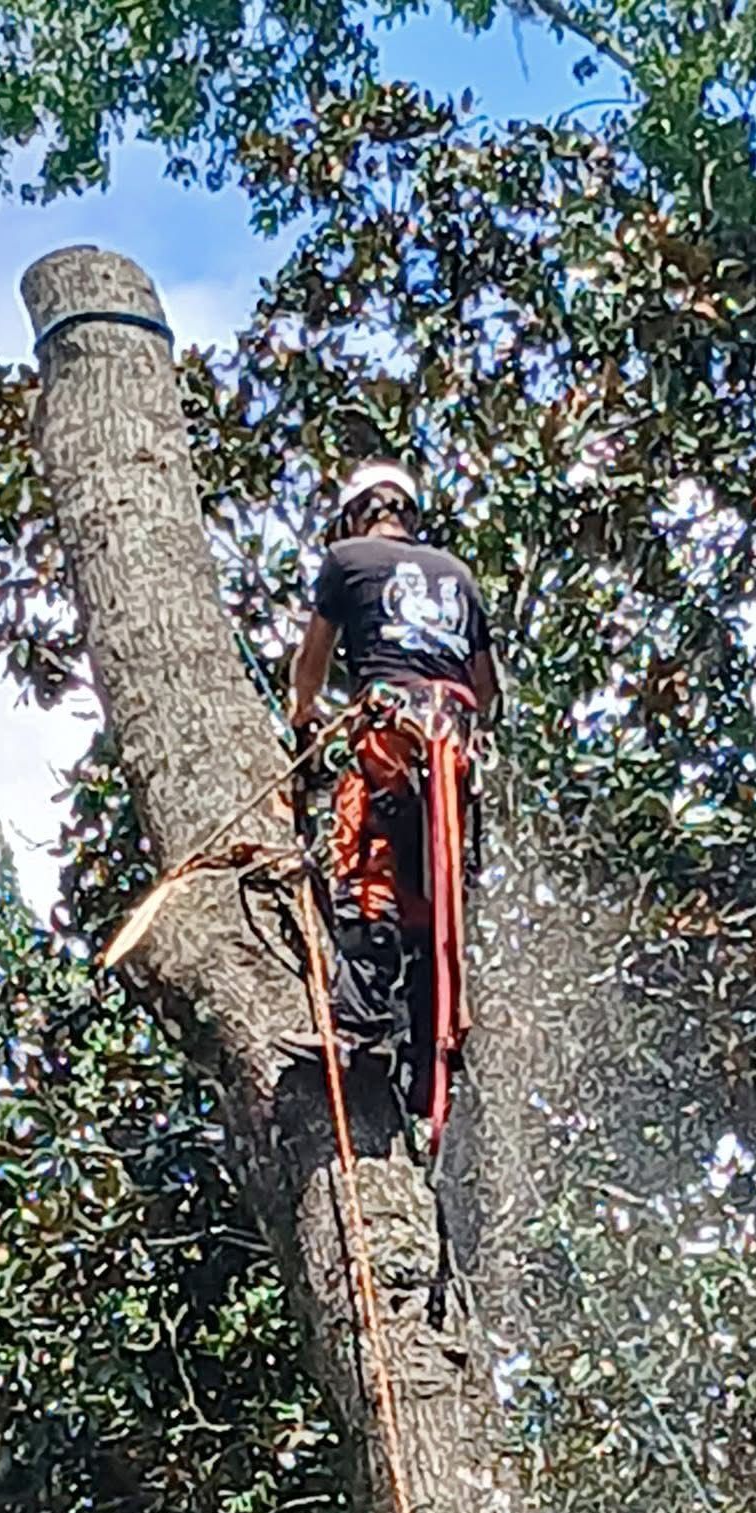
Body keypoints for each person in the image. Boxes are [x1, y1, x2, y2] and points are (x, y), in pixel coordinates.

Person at [286, 458, 498, 1129]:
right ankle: (427, 1063)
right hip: (454, 751)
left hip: (391, 733)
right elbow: (486, 690)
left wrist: (302, 717)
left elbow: (313, 662)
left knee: (368, 872)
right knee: (433, 907)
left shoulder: (346, 560)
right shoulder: (460, 576)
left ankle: (358, 1029)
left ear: (356, 514)